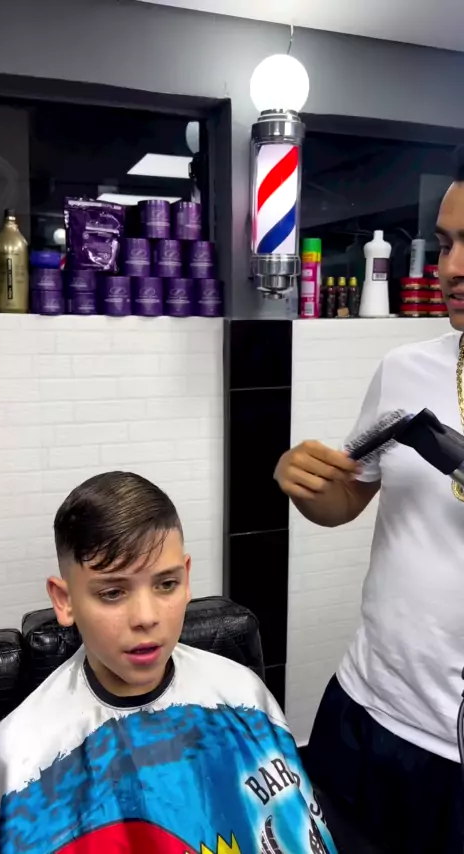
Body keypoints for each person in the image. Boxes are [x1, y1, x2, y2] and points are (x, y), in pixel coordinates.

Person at [0, 471, 337, 854]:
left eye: (166, 584)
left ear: (186, 579)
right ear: (64, 600)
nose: (146, 617)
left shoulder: (244, 695)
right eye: (113, 592)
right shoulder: (20, 759)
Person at [275, 156, 464, 854]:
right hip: (370, 708)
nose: (452, 268)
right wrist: (309, 485)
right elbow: (349, 496)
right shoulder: (406, 371)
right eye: (445, 244)